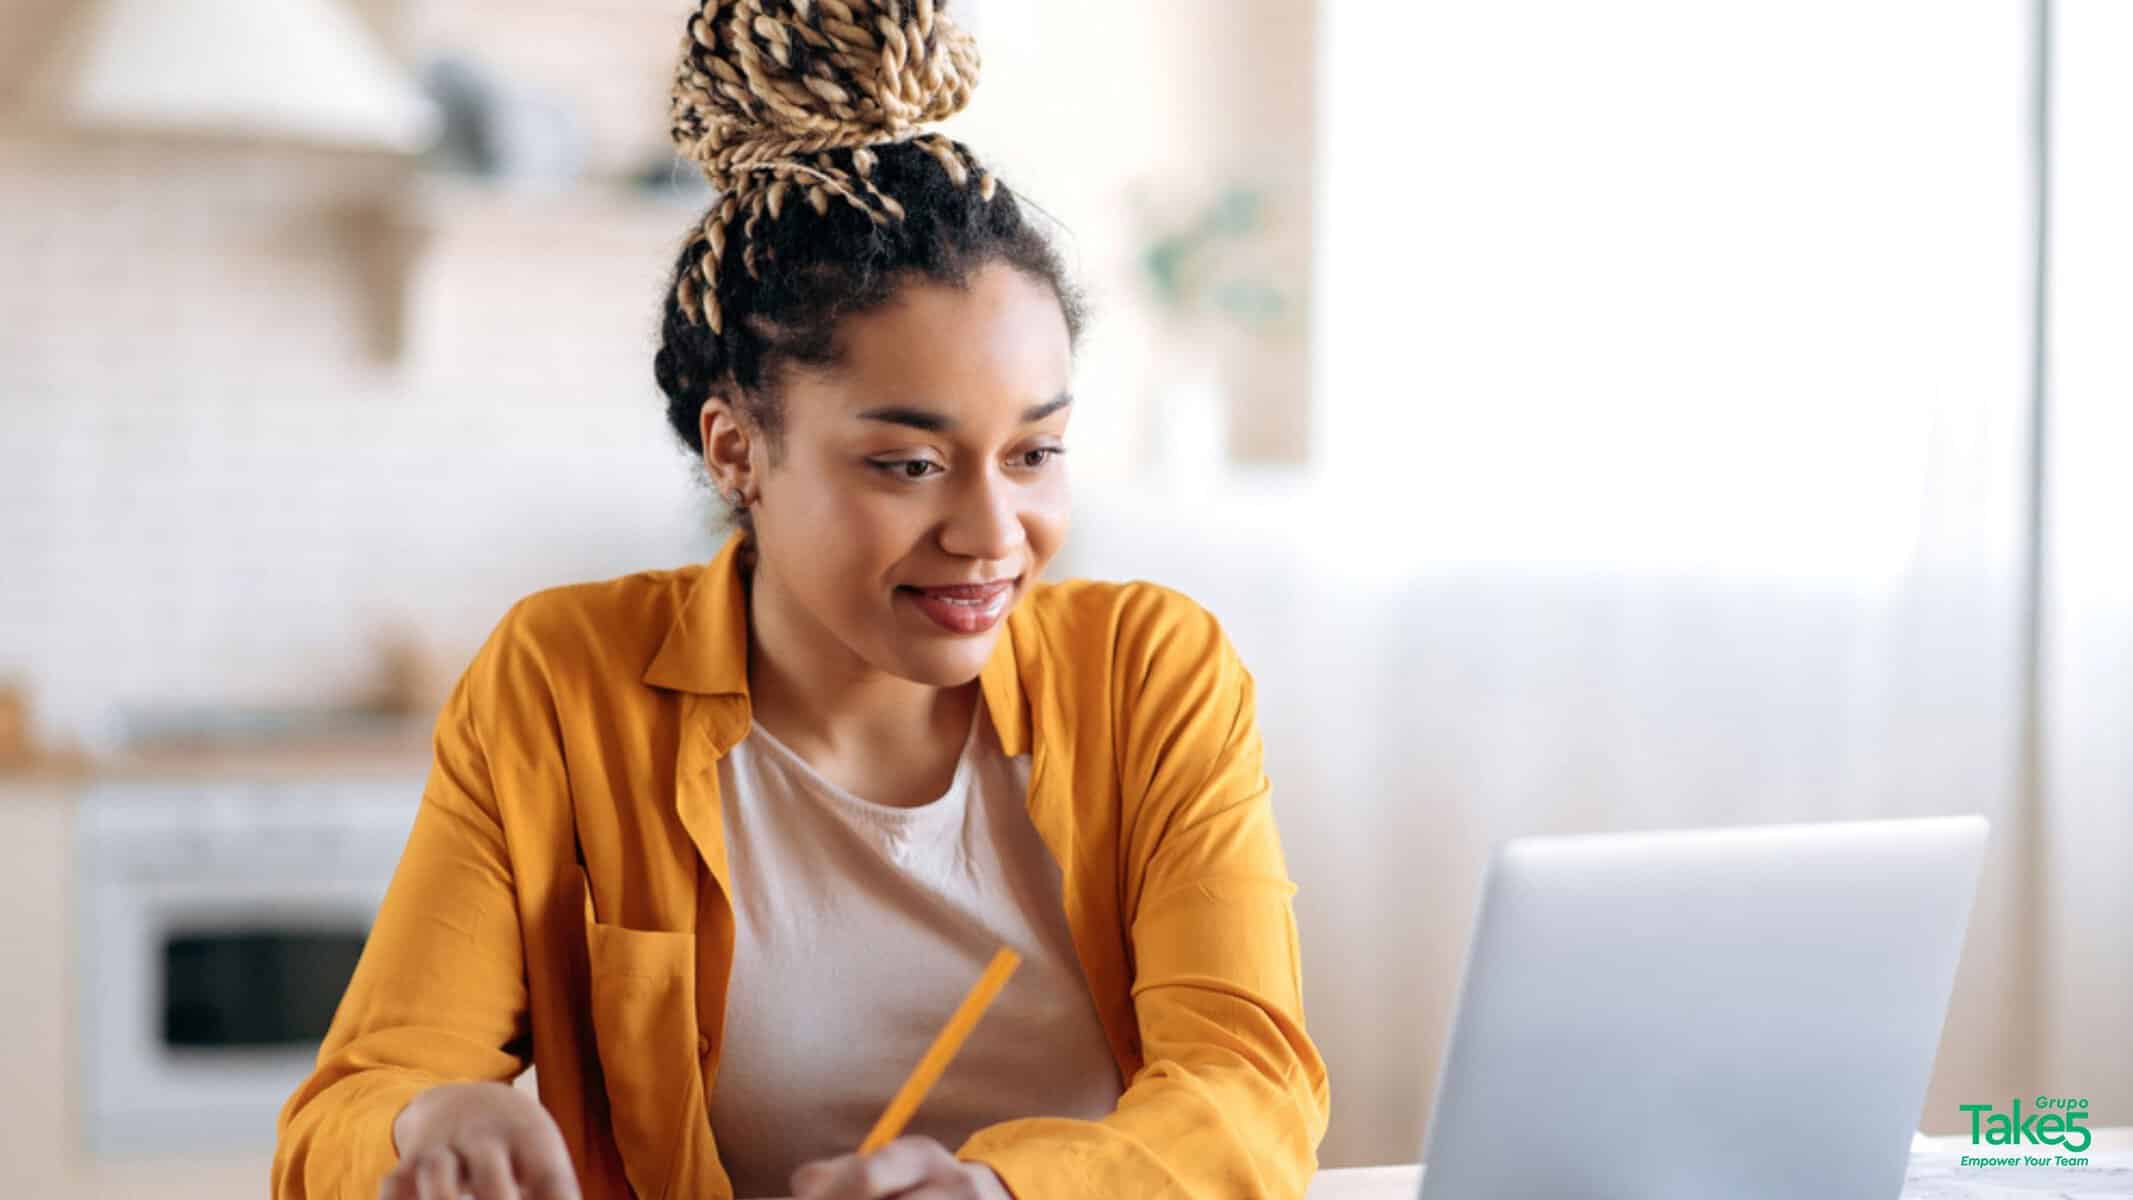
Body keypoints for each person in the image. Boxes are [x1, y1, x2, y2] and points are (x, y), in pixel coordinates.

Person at [271, 2, 1329, 1197]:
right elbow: (347, 1110)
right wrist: (423, 1124)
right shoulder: (564, 682)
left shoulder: (1151, 674)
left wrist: (996, 1193)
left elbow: (1251, 1087)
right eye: (908, 464)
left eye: (1034, 454)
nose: (992, 536)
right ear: (737, 452)